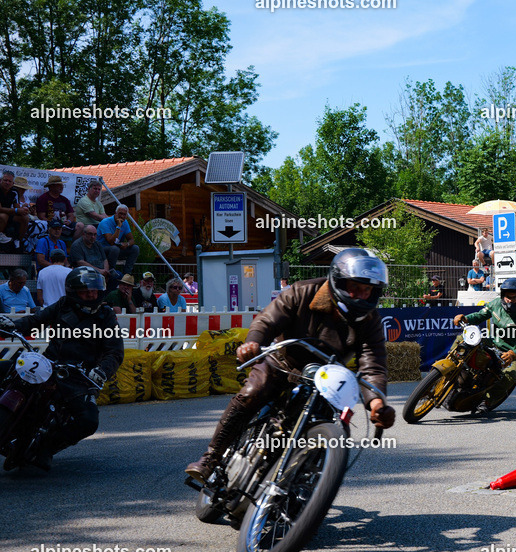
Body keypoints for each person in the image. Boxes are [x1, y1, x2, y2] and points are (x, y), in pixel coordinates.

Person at [186, 248, 396, 481]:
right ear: (339, 281)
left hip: (325, 378)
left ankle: (305, 484)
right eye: (355, 287)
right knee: (252, 392)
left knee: (338, 430)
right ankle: (211, 458)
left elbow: (373, 363)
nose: (361, 295)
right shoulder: (304, 292)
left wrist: (377, 402)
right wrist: (253, 343)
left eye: (367, 290)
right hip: (282, 363)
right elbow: (267, 320)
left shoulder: (370, 319)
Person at [0, 267, 123, 469]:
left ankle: (45, 447)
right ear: (73, 292)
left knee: (88, 420)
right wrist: (14, 326)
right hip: (48, 364)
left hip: (80, 375)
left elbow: (115, 351)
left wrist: (102, 371)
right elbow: (36, 320)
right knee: (5, 369)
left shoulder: (105, 315)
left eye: (94, 291)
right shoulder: (63, 305)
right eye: (86, 291)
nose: (92, 295)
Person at [453, 277, 516, 401]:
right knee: (462, 339)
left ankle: (486, 401)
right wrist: (466, 319)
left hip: (508, 352)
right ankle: (451, 367)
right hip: (491, 343)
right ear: (503, 295)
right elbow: (480, 315)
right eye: (508, 297)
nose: (510, 301)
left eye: (514, 297)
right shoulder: (496, 304)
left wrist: (514, 354)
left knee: (511, 375)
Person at [36, 175, 83, 240]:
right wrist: (53, 223)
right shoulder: (43, 198)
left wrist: (69, 221)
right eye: (59, 185)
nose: (62, 187)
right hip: (51, 225)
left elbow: (71, 215)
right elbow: (41, 216)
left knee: (81, 225)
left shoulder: (65, 200)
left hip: (64, 225)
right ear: (51, 186)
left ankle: (73, 246)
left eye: (61, 185)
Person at [97, 205, 139, 275]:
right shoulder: (105, 222)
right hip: (102, 249)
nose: (122, 216)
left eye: (124, 214)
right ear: (115, 213)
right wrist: (118, 226)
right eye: (120, 213)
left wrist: (126, 244)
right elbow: (110, 241)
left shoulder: (125, 223)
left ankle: (127, 274)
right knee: (114, 249)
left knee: (135, 248)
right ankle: (111, 271)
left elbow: (131, 240)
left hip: (116, 248)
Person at [0, 170, 29, 247]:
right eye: (5, 180)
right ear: (1, 180)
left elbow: (17, 208)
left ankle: (18, 241)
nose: (7, 183)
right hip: (2, 214)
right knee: (3, 216)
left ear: (13, 183)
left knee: (25, 218)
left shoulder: (14, 191)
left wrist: (23, 210)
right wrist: (16, 210)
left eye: (10, 181)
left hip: (8, 214)